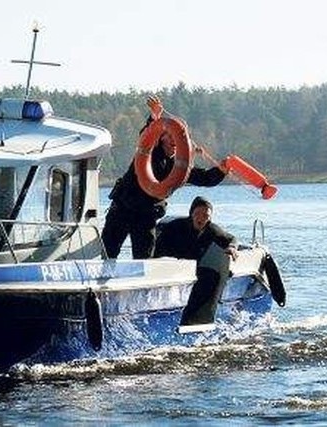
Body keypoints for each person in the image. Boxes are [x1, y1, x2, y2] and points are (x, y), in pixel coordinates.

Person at [102, 96, 228, 259]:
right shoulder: (151, 151)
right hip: (123, 207)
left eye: (180, 138)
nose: (174, 140)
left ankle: (143, 283)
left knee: (144, 257)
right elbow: (146, 134)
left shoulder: (180, 166)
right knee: (108, 250)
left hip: (146, 215)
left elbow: (204, 178)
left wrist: (221, 171)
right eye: (170, 136)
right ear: (162, 137)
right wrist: (154, 116)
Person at [154, 196, 238, 326]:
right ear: (191, 214)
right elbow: (157, 249)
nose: (201, 218)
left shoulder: (212, 230)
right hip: (168, 265)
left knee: (211, 275)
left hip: (192, 269)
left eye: (206, 215)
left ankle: (199, 317)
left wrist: (232, 248)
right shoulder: (175, 227)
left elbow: (230, 239)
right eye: (198, 214)